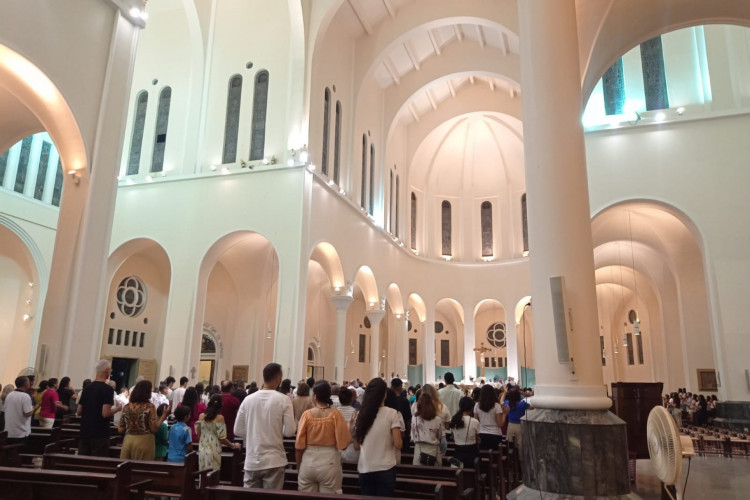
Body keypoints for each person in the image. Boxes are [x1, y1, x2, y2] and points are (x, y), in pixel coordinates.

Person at [234, 363, 296, 490]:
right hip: (274, 460)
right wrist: (275, 430)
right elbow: (290, 431)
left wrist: (254, 431)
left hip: (252, 459)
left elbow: (237, 430)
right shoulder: (284, 400)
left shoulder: (248, 399)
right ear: (278, 378)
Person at [295, 381, 350, 493]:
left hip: (308, 462)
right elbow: (343, 445)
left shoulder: (307, 415)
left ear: (314, 396)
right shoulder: (336, 414)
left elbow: (299, 446)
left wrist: (299, 466)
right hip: (329, 462)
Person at [352, 378, 402, 497]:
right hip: (385, 469)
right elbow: (398, 445)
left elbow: (356, 446)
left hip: (365, 469)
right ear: (384, 395)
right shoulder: (391, 413)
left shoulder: (360, 414)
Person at [77, 360, 122, 456]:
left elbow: (79, 411)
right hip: (99, 433)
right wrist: (118, 409)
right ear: (107, 370)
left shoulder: (87, 388)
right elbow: (105, 413)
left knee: (82, 463)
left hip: (85, 431)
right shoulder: (108, 389)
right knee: (96, 465)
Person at [119, 380, 169, 460]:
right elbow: (154, 429)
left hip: (128, 440)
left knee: (127, 469)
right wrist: (164, 416)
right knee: (141, 469)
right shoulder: (149, 407)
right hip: (144, 441)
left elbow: (120, 429)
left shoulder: (127, 407)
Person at [196, 394, 241, 471]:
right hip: (214, 448)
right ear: (221, 404)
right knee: (213, 474)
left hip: (203, 448)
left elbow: (198, 434)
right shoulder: (220, 418)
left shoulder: (201, 416)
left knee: (203, 473)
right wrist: (232, 445)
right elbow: (222, 438)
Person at [411, 392, 443, 466]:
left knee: (418, 475)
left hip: (419, 451)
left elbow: (413, 435)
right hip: (434, 451)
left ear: (419, 405)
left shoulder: (414, 418)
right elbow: (439, 437)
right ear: (432, 405)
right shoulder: (437, 419)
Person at [474, 384, 507, 451]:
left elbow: (475, 422)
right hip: (495, 434)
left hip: (481, 433)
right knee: (495, 457)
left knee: (483, 456)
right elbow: (500, 424)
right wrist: (505, 414)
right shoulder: (496, 406)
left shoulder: (477, 405)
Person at [4, 376, 36, 445]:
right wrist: (33, 409)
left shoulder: (10, 394)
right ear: (26, 383)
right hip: (20, 431)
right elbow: (27, 413)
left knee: (10, 452)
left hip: (9, 431)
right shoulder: (25, 396)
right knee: (18, 452)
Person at [450, 397, 480, 468]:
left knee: (457, 474)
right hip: (472, 454)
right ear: (471, 408)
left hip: (457, 453)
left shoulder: (454, 420)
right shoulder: (474, 421)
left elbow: (453, 437)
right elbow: (477, 440)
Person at [504, 387, 533, 456]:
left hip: (510, 425)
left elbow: (501, 401)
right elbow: (532, 407)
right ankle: (521, 460)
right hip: (520, 425)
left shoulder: (507, 403)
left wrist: (504, 392)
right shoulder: (522, 404)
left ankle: (510, 459)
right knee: (520, 444)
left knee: (510, 443)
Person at [337, 386, 359, 464]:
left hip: (337, 450)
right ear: (351, 399)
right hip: (352, 451)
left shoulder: (334, 413)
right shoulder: (356, 413)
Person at [390, 378, 412, 452]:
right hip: (403, 430)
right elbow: (409, 418)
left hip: (390, 430)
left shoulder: (388, 400)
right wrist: (408, 432)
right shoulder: (405, 401)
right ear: (400, 387)